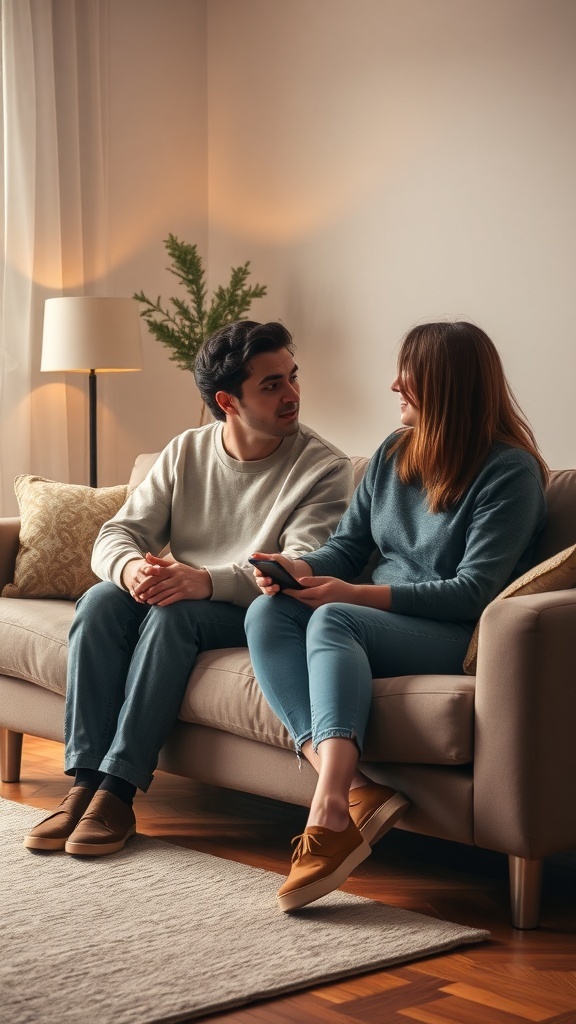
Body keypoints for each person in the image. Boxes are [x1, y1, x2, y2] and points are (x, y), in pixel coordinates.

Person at [245, 320, 548, 912]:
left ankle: (330, 809)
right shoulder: (393, 452)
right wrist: (298, 568)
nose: (394, 385)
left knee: (335, 620)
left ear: (443, 385)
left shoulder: (510, 472)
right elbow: (347, 548)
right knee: (268, 611)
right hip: (379, 621)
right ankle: (359, 790)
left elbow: (473, 592)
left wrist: (353, 597)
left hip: (456, 635)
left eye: (407, 374)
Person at [24, 320, 354, 856]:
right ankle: (84, 784)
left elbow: (301, 567)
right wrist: (132, 570)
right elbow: (116, 534)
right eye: (272, 385)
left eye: (292, 377)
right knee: (102, 601)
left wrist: (206, 581)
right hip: (184, 592)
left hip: (257, 610)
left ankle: (118, 792)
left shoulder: (323, 468)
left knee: (174, 613)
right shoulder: (186, 451)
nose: (292, 394)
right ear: (228, 401)